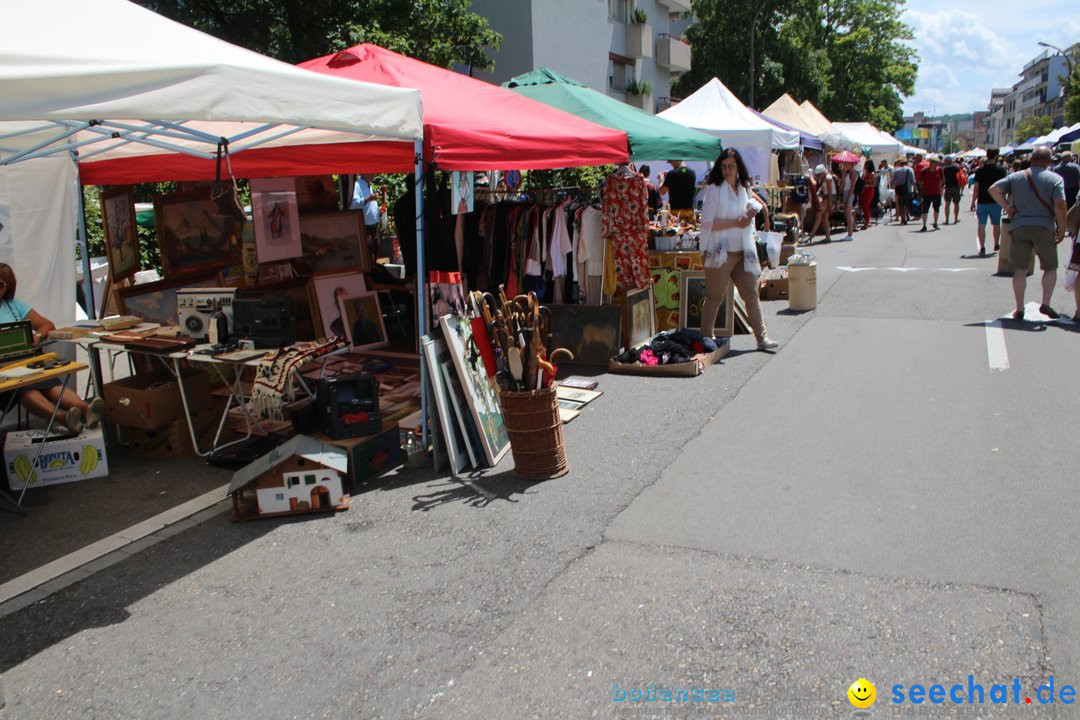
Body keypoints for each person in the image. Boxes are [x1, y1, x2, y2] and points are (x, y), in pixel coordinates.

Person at [0, 263, 103, 434]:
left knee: (49, 384)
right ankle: (63, 418)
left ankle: (86, 409)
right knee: (25, 389)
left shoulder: (13, 305)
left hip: (26, 360)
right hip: (4, 369)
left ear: (8, 286)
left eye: (0, 285)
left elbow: (46, 325)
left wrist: (37, 337)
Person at [697, 149, 778, 351]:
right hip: (720, 251)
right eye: (724, 166)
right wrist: (737, 222)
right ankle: (707, 338)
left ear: (738, 167)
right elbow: (707, 223)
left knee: (750, 294)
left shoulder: (744, 188)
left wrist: (750, 216)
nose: (727, 170)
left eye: (731, 166)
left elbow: (745, 218)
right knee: (715, 296)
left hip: (743, 249)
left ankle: (762, 337)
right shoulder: (714, 190)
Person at [988, 145, 1068, 320]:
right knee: (1050, 266)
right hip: (1043, 225)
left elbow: (993, 189)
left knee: (1019, 270)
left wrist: (1007, 207)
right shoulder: (1055, 179)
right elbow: (1061, 205)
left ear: (1031, 159)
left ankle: (1019, 307)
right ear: (1049, 161)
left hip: (1020, 225)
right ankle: (1045, 302)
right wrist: (1062, 229)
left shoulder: (1017, 176)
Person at [970, 148, 1007, 256]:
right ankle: (996, 243)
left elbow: (976, 188)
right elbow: (1003, 187)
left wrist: (973, 202)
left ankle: (982, 247)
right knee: (996, 224)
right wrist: (1004, 202)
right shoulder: (1001, 170)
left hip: (982, 201)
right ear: (996, 156)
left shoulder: (980, 171)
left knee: (981, 225)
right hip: (996, 201)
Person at [350, 173, 381, 261]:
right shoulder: (357, 185)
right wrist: (368, 198)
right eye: (372, 171)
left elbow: (368, 206)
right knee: (368, 253)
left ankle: (373, 270)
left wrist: (378, 209)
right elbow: (354, 205)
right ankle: (369, 273)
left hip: (373, 225)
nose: (374, 173)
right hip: (365, 227)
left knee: (375, 249)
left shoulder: (368, 185)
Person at [807, 164, 836, 243]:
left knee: (819, 214)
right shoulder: (825, 178)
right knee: (824, 217)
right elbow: (824, 188)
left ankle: (812, 233)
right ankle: (828, 236)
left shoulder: (827, 178)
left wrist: (830, 203)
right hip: (828, 197)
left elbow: (830, 191)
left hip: (830, 197)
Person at [918, 154, 944, 231]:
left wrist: (940, 187)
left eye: (937, 162)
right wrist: (923, 187)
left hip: (937, 193)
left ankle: (935, 223)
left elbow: (942, 180)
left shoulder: (939, 170)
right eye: (935, 162)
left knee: (936, 208)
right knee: (925, 210)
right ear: (931, 162)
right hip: (927, 193)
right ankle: (924, 225)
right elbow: (919, 181)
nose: (936, 164)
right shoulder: (924, 171)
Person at [892, 158, 915, 225]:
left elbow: (893, 181)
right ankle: (905, 216)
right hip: (908, 189)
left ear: (900, 164)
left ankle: (902, 218)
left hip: (900, 190)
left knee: (901, 205)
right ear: (906, 163)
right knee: (907, 205)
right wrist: (916, 190)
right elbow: (913, 181)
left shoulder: (896, 171)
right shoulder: (910, 170)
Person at [941, 155, 962, 225]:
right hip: (956, 187)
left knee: (947, 204)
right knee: (956, 203)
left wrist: (942, 186)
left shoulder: (944, 169)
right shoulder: (956, 167)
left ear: (947, 161)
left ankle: (947, 220)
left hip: (948, 187)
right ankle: (956, 218)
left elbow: (943, 179)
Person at [839, 161, 858, 240]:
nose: (845, 165)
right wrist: (843, 174)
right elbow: (843, 184)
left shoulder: (853, 173)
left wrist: (848, 198)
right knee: (847, 214)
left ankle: (850, 233)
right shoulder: (847, 173)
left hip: (849, 193)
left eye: (847, 163)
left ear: (851, 164)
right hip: (846, 192)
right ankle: (849, 232)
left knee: (848, 213)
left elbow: (852, 186)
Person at [859, 159, 877, 230]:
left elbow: (874, 184)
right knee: (863, 206)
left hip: (869, 191)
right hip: (863, 191)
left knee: (865, 206)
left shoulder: (872, 174)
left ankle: (867, 222)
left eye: (866, 164)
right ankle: (867, 220)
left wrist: (867, 185)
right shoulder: (865, 172)